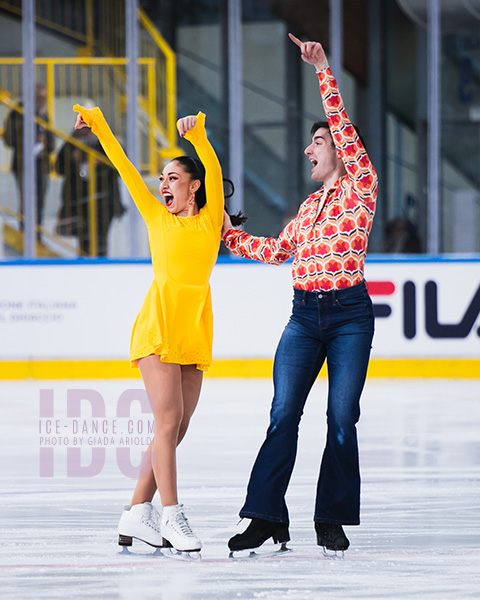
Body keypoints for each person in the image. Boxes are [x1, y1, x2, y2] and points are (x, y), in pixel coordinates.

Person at [223, 34, 378, 554]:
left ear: (339, 148)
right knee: (282, 413)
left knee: (340, 416)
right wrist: (225, 233)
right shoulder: (309, 208)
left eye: (318, 142)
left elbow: (341, 126)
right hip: (302, 318)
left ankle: (329, 517)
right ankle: (266, 515)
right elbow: (274, 250)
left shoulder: (361, 185)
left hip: (350, 317)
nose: (308, 149)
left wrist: (322, 70)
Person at [73, 104, 233, 553]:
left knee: (177, 426)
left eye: (173, 178)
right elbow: (123, 165)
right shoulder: (156, 217)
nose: (163, 184)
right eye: (161, 178)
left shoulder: (208, 218)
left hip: (194, 327)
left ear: (194, 186)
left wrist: (199, 137)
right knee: (166, 422)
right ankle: (171, 516)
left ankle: (135, 513)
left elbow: (215, 169)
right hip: (158, 326)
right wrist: (99, 123)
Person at [55, 126, 125, 256]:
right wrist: (73, 159)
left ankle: (100, 267)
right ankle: (84, 267)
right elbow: (59, 167)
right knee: (85, 241)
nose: (86, 130)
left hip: (104, 200)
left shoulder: (106, 142)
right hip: (79, 202)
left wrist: (102, 162)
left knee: (100, 240)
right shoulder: (72, 143)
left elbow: (122, 165)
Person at [3, 83, 54, 241]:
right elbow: (9, 139)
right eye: (39, 98)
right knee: (26, 201)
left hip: (42, 165)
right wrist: (28, 138)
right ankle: (25, 236)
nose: (42, 101)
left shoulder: (43, 116)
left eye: (43, 98)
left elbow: (51, 145)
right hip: (22, 165)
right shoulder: (17, 113)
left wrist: (45, 142)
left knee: (39, 202)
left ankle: (37, 236)